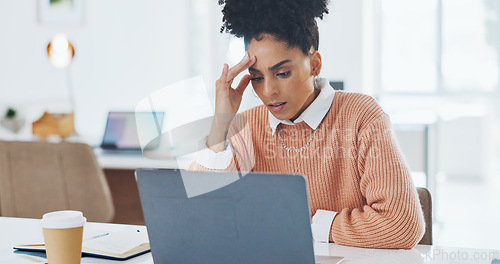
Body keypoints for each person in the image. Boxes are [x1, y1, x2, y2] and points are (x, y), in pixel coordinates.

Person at [189, 0, 425, 249]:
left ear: (314, 64)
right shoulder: (247, 126)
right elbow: (194, 214)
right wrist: (220, 123)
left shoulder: (361, 116)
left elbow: (401, 224)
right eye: (257, 78)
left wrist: (306, 226)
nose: (268, 91)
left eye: (282, 73)